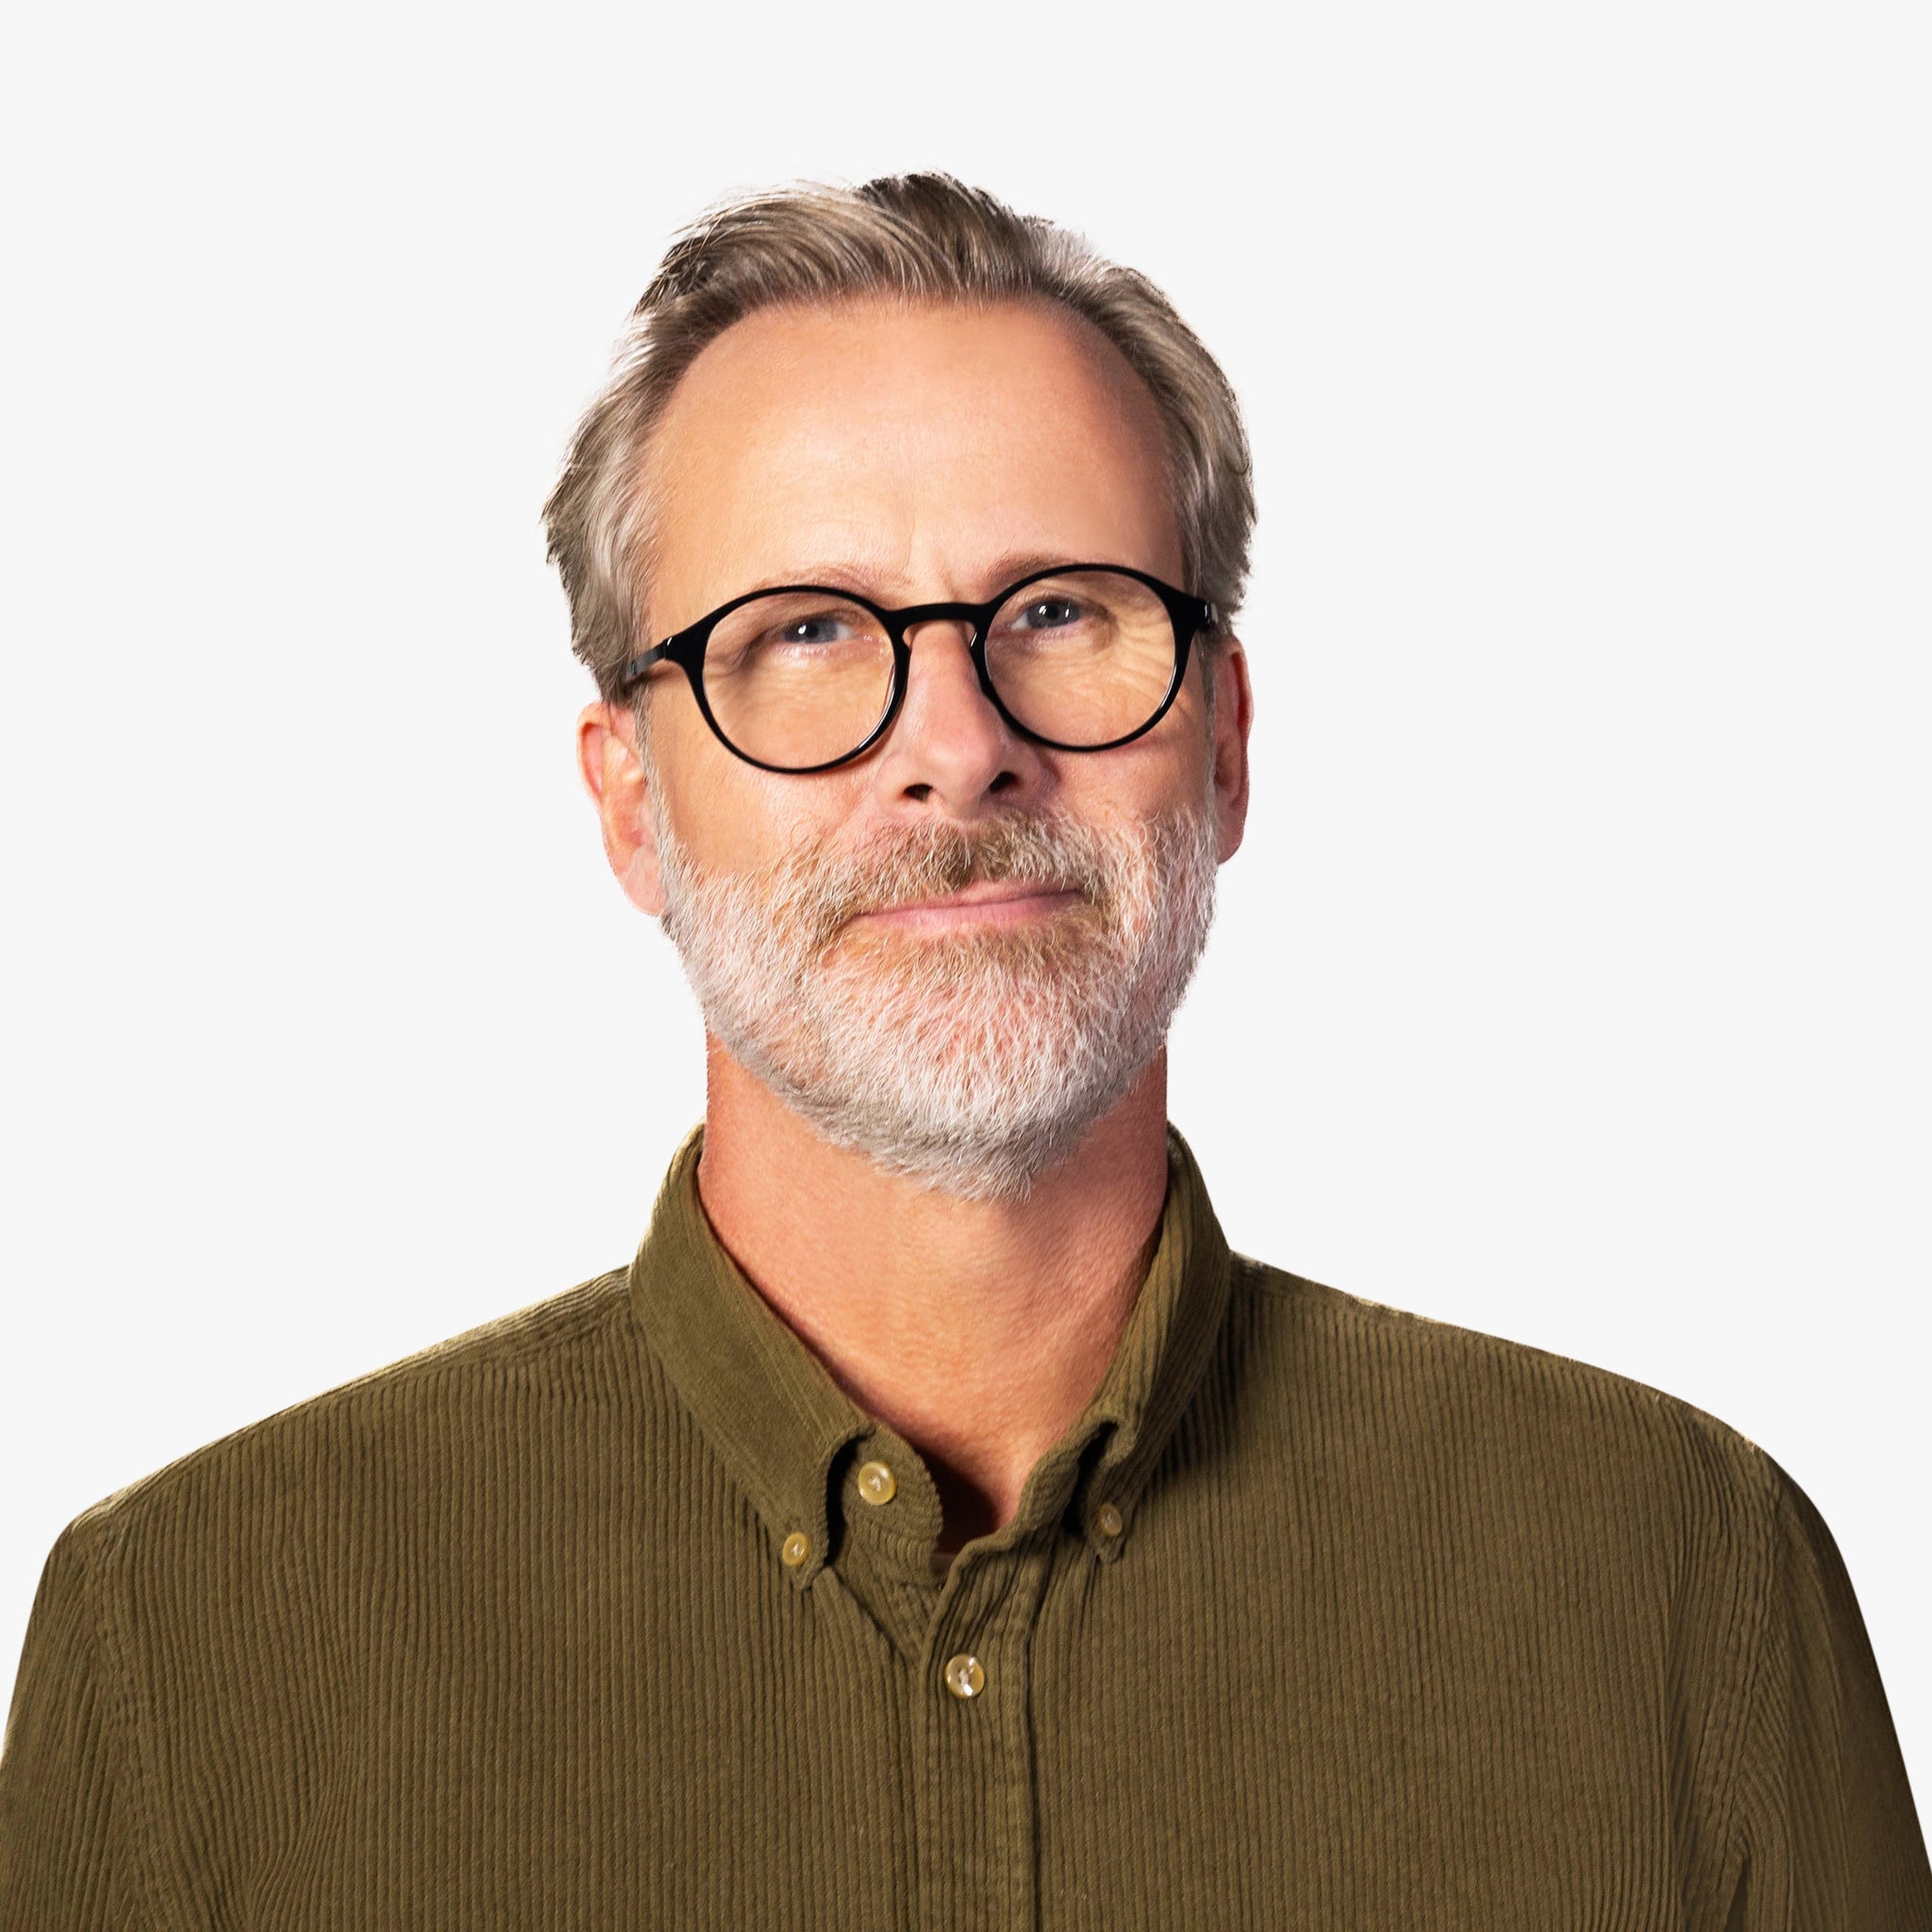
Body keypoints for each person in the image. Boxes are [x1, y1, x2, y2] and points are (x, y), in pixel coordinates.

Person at [1, 175, 1924, 1931]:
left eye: (1062, 611)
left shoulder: (1680, 1589)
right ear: (628, 800)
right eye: (806, 634)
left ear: (1227, 742)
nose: (957, 747)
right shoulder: (187, 1657)